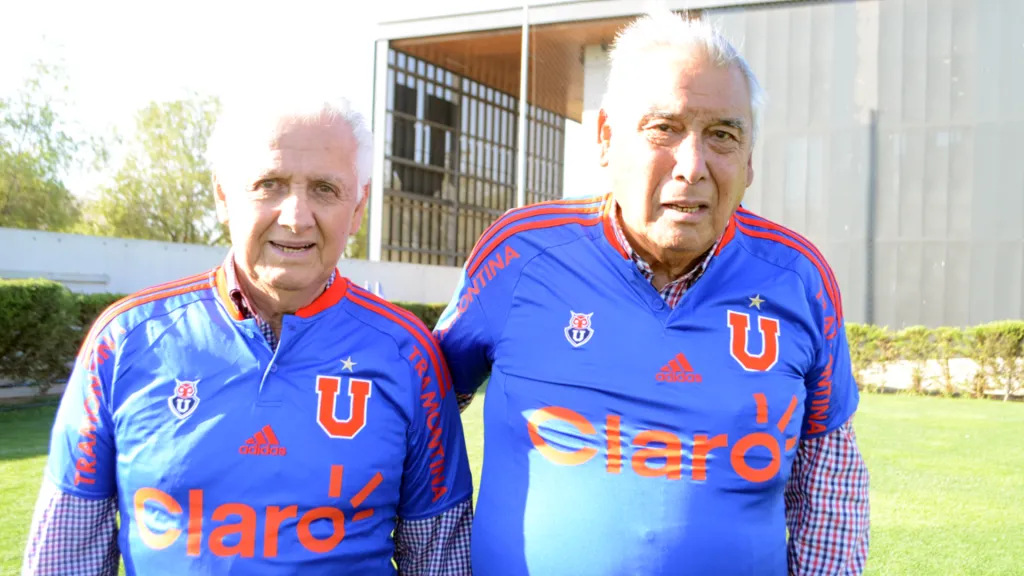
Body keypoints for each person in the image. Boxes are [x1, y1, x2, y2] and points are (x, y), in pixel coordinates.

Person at [434, 11, 869, 576]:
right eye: (664, 128)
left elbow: (830, 483)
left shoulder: (798, 278)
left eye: (723, 135)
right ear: (607, 139)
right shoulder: (519, 254)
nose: (692, 166)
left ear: (750, 159)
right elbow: (422, 417)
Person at [23, 96, 473, 575]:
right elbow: (63, 559)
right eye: (268, 185)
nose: (296, 217)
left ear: (357, 209)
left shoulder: (408, 354)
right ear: (223, 198)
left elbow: (440, 557)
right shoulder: (126, 341)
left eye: (324, 189)